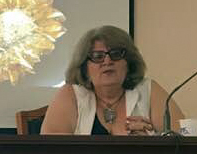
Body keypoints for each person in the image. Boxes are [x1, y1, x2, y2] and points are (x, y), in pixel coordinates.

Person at [40, 25, 183, 135]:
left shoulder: (149, 90)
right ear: (84, 67)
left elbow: (182, 141)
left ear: (128, 62)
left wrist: (150, 143)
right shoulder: (70, 95)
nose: (107, 61)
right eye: (98, 56)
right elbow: (52, 152)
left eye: (116, 54)